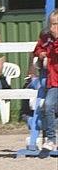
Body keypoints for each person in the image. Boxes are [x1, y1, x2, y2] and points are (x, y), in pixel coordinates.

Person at [34, 9, 58, 157]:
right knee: (48, 105)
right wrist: (40, 53)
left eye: (56, 24)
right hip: (54, 80)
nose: (52, 28)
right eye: (51, 24)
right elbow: (37, 48)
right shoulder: (46, 38)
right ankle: (51, 139)